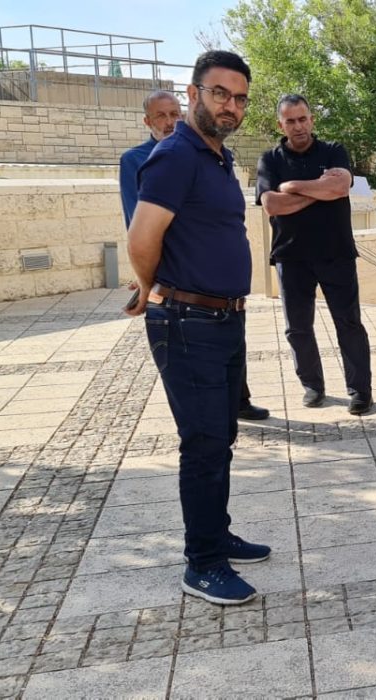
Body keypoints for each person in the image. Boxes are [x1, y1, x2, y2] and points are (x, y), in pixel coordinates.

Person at [125, 50, 270, 606]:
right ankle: (203, 564)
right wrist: (152, 287)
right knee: (204, 442)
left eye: (240, 98)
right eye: (220, 93)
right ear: (193, 94)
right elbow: (143, 237)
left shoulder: (217, 156)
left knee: (221, 435)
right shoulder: (175, 155)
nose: (230, 106)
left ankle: (218, 533)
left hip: (223, 317)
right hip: (187, 321)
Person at [119, 89, 269, 422]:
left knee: (231, 334)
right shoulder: (138, 159)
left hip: (219, 275)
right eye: (161, 116)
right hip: (178, 279)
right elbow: (138, 223)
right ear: (147, 121)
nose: (170, 121)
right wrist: (146, 278)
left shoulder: (209, 152)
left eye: (174, 113)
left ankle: (238, 399)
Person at [256, 94, 373, 414]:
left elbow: (340, 187)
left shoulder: (333, 151)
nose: (298, 126)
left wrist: (292, 186)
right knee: (297, 328)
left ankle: (360, 391)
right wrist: (319, 190)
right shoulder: (270, 160)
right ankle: (312, 386)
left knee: (349, 324)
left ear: (312, 120)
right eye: (290, 121)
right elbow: (271, 205)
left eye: (303, 119)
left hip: (336, 253)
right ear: (280, 125)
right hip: (290, 256)